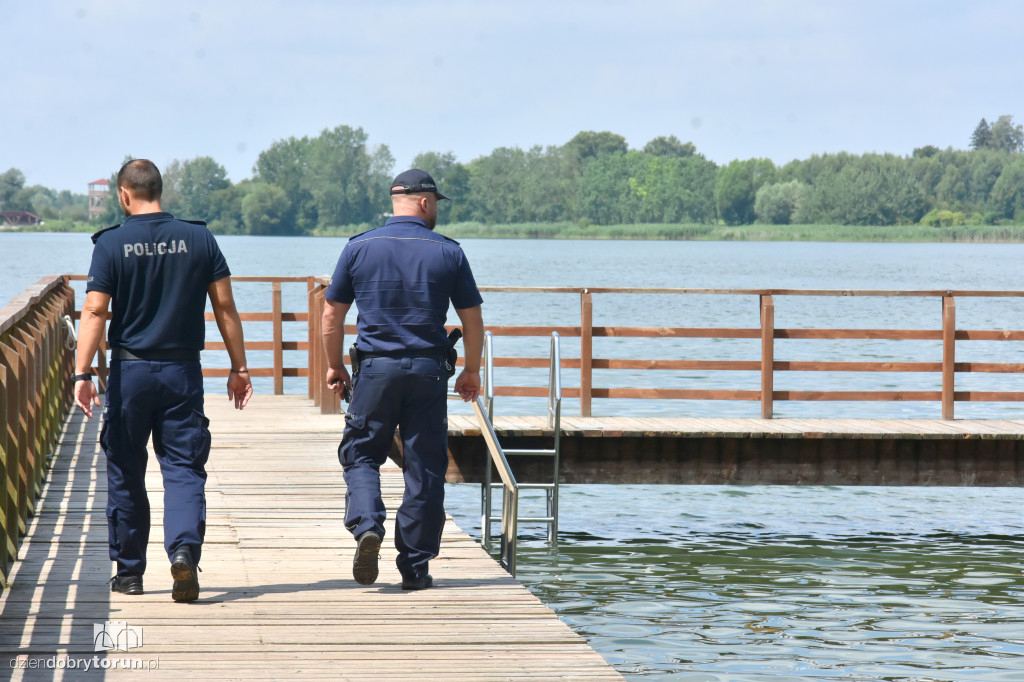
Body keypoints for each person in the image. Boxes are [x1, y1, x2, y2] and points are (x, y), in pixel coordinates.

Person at [72, 159, 252, 603]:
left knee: (126, 469)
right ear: (159, 190)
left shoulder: (111, 243)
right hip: (182, 372)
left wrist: (81, 373)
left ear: (123, 193)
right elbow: (225, 308)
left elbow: (94, 311)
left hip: (129, 372)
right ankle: (184, 553)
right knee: (184, 467)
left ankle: (130, 573)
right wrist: (239, 368)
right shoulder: (199, 238)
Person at [321, 169, 484, 591]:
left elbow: (331, 315)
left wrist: (335, 365)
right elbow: (472, 318)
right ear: (425, 202)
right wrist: (470, 369)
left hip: (375, 370)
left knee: (361, 454)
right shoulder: (449, 252)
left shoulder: (359, 247)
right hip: (429, 372)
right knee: (426, 467)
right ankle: (414, 566)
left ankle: (367, 525)